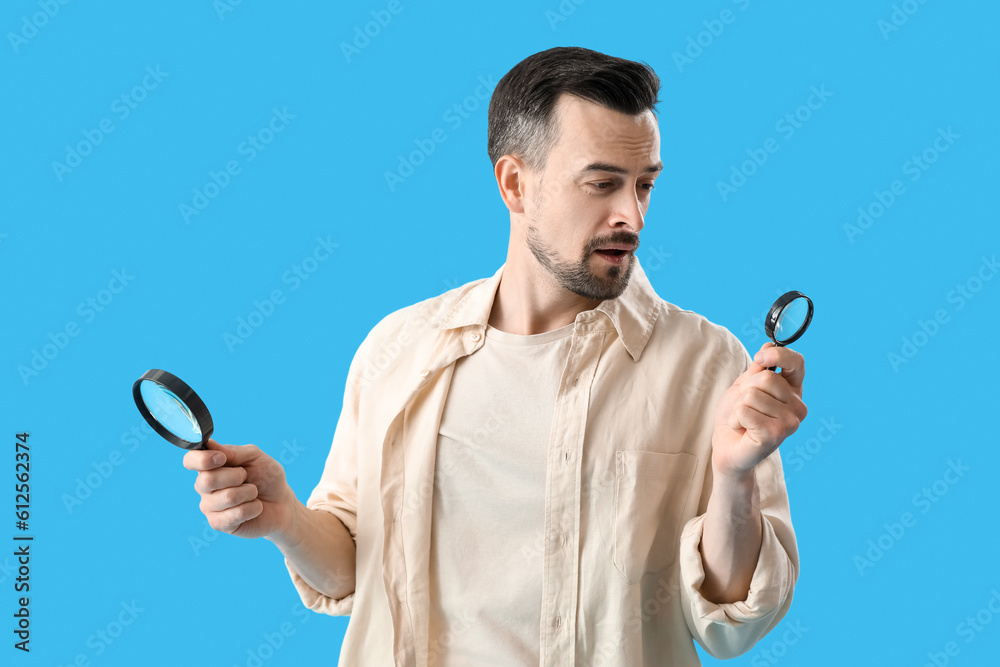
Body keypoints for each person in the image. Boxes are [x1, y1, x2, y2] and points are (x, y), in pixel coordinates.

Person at [184, 46, 806, 666]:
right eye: (602, 184)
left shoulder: (705, 364)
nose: (631, 216)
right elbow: (354, 569)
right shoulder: (397, 349)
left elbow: (733, 623)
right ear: (514, 183)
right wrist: (285, 519)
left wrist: (734, 477)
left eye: (645, 185)